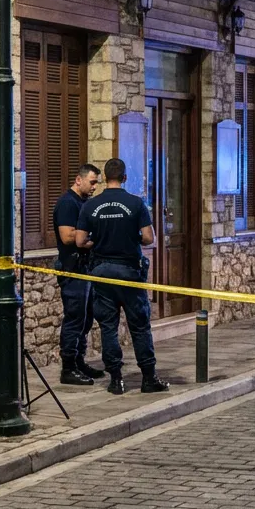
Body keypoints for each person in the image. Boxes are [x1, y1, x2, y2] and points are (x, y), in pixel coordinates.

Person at [75, 158, 169, 396]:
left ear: (105, 178)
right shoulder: (136, 203)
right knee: (139, 326)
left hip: (102, 272)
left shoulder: (90, 206)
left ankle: (116, 379)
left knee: (108, 326)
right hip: (129, 272)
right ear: (125, 177)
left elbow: (79, 241)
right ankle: (149, 378)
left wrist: (101, 240)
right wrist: (130, 238)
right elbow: (149, 238)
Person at [53, 163, 104, 386]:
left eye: (97, 183)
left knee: (85, 319)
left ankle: (79, 361)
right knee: (74, 319)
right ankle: (68, 368)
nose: (94, 187)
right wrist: (92, 235)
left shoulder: (86, 203)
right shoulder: (68, 203)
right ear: (79, 180)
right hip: (72, 269)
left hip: (86, 269)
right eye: (92, 182)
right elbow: (66, 236)